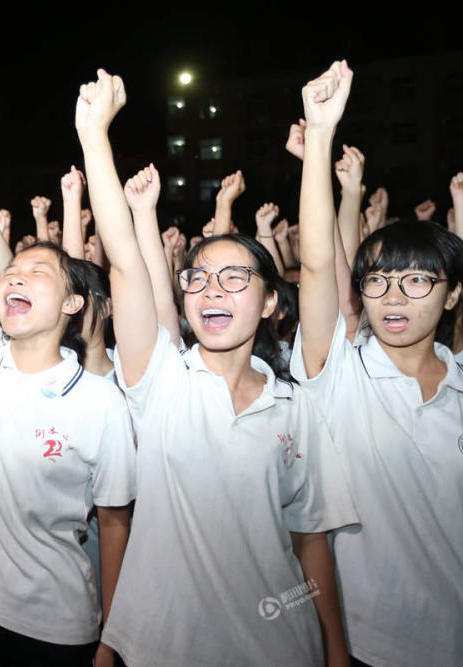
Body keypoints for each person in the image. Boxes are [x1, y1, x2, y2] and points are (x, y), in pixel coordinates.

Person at [74, 69, 358, 666]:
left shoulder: (294, 404)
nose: (212, 292)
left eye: (235, 279)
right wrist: (93, 132)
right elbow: (124, 264)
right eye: (198, 279)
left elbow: (310, 542)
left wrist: (334, 651)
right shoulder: (161, 378)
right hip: (162, 647)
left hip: (277, 648)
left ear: (271, 301)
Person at [0, 90, 136, 667]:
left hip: (54, 626)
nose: (14, 277)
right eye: (12, 272)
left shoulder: (100, 403)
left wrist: (111, 633)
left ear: (73, 303)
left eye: (37, 272)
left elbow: (115, 523)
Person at [293, 60, 463, 666]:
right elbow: (318, 264)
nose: (394, 295)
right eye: (380, 280)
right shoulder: (343, 370)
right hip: (365, 646)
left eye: (418, 279)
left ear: (452, 294)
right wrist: (320, 134)